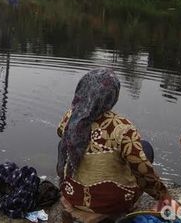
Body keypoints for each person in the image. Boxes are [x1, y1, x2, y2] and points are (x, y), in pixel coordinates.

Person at [57, 68, 174, 223]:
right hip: (108, 203)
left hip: (73, 194)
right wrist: (164, 195)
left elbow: (61, 133)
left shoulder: (69, 117)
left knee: (64, 142)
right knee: (146, 149)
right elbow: (143, 170)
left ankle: (69, 182)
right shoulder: (122, 127)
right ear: (112, 97)